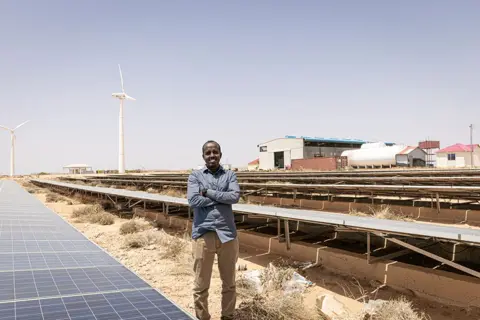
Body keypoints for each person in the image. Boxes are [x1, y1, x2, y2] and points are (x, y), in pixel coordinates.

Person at [187, 140, 241, 320]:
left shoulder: (230, 175)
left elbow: (234, 196)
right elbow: (193, 201)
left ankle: (228, 316)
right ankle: (203, 317)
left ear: (220, 154)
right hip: (203, 234)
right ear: (203, 156)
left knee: (229, 283)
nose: (212, 155)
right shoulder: (195, 176)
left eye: (215, 152)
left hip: (227, 235)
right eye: (208, 153)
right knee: (201, 285)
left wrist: (208, 193)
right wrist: (221, 198)